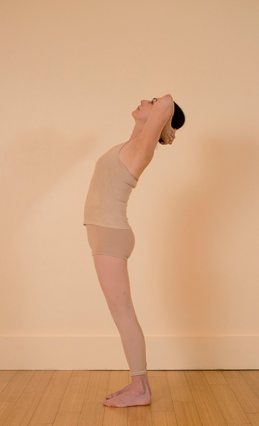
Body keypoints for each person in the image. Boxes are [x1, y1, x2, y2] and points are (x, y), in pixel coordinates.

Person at [83, 94, 186, 407]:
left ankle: (141, 389)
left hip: (111, 237)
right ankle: (137, 385)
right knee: (122, 314)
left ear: (159, 117)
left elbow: (167, 101)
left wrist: (165, 124)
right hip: (105, 237)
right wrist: (156, 120)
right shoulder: (134, 142)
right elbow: (160, 108)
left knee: (123, 315)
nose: (144, 100)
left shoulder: (144, 148)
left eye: (149, 101)